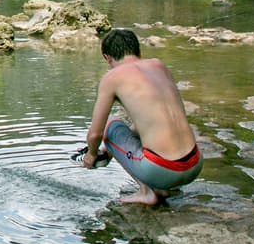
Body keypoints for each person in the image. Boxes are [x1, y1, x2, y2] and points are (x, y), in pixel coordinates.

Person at [81, 28, 203, 205]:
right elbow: (146, 125)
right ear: (138, 51)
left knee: (112, 126)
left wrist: (91, 155)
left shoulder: (112, 77)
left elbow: (95, 135)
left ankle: (147, 192)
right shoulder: (158, 66)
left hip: (162, 170)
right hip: (195, 164)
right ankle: (162, 188)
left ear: (107, 58)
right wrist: (112, 150)